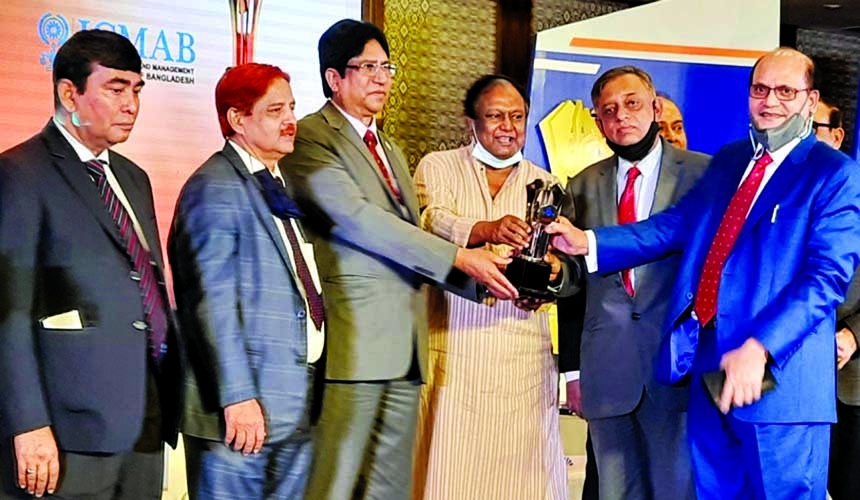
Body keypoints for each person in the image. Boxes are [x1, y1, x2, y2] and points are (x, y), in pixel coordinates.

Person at [547, 47, 860, 499]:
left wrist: (762, 347)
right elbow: (675, 225)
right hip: (711, 366)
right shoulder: (732, 160)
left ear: (810, 102)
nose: (770, 101)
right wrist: (590, 243)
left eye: (786, 91)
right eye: (760, 89)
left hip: (780, 378)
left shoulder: (832, 173)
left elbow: (825, 278)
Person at [280, 20, 518, 500]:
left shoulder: (389, 147)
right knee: (335, 483)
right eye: (366, 67)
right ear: (334, 78)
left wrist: (481, 278)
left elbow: (409, 236)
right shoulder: (309, 138)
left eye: (385, 66)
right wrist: (461, 256)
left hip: (408, 346)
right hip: (354, 344)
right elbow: (358, 219)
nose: (381, 78)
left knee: (391, 489)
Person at [0, 29, 182, 499]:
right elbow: (7, 313)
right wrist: (28, 424)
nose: (132, 104)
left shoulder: (133, 178)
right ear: (69, 93)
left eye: (137, 90)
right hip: (67, 433)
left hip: (146, 416)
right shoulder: (20, 174)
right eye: (116, 88)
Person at [411, 75, 576, 500]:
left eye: (517, 116)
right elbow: (430, 221)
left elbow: (565, 264)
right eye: (495, 116)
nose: (508, 126)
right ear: (471, 123)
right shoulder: (438, 165)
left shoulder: (549, 184)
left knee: (523, 477)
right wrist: (487, 229)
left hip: (521, 351)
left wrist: (549, 277)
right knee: (446, 471)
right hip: (453, 348)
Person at [169, 63, 321, 499]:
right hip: (240, 413)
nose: (291, 120)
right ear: (237, 119)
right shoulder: (214, 186)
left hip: (291, 403)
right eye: (275, 110)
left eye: (291, 107)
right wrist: (237, 398)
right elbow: (209, 302)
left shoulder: (275, 182)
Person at [557, 66, 708, 500]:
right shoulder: (582, 185)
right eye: (609, 110)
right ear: (597, 121)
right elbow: (574, 290)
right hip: (608, 372)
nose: (622, 115)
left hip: (679, 369)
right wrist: (572, 371)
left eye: (632, 103)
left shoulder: (705, 174)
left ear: (656, 108)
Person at [815, 98, 860, 500]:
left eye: (814, 129)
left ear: (837, 136)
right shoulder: (765, 194)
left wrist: (855, 335)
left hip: (850, 380)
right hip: (783, 385)